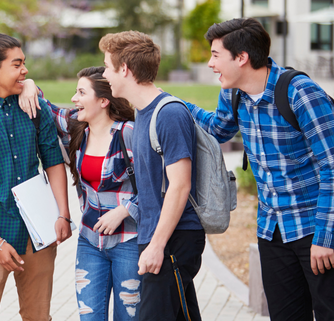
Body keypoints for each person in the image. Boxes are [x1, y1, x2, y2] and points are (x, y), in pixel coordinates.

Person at [185, 18, 334, 320]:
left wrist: (325, 238)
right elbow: (218, 129)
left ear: (241, 58)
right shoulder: (234, 92)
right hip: (272, 230)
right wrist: (172, 105)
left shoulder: (300, 93)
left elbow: (332, 168)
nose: (211, 64)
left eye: (215, 55)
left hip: (313, 229)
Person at [0, 33, 72, 321]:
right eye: (17, 64)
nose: (25, 70)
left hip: (38, 234)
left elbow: (54, 163)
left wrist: (63, 215)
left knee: (38, 316)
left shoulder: (34, 109)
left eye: (24, 63)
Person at [20, 66, 142, 320]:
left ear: (103, 101)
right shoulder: (77, 129)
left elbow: (159, 185)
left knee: (129, 317)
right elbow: (44, 106)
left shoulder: (129, 134)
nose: (74, 98)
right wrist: (29, 82)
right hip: (89, 242)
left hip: (129, 242)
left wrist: (123, 211)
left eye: (81, 92)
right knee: (89, 317)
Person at [98, 31, 204, 321]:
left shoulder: (167, 113)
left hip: (173, 238)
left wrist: (157, 245)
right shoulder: (142, 113)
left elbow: (180, 185)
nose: (105, 73)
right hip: (160, 236)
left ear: (125, 69)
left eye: (108, 66)